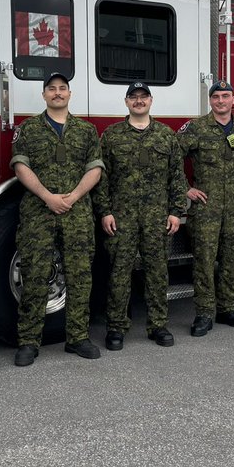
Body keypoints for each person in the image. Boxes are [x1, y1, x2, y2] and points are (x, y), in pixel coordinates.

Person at [10, 72, 105, 366]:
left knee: (80, 276)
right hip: (38, 212)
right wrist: (48, 197)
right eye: (51, 89)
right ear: (44, 95)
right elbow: (20, 167)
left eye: (62, 88)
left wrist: (73, 197)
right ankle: (28, 342)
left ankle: (77, 338)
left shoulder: (86, 131)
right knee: (34, 275)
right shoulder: (28, 129)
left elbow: (95, 169)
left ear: (69, 94)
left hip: (77, 213)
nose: (57, 92)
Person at [93, 82, 188, 350]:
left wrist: (176, 212)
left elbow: (177, 177)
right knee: (119, 273)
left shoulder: (166, 136)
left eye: (143, 96)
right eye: (133, 97)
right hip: (121, 218)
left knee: (157, 272)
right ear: (126, 102)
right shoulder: (111, 136)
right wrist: (105, 211)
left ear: (151, 100)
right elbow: (102, 178)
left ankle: (158, 325)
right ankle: (116, 327)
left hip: (157, 217)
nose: (138, 101)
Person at [176, 80, 234, 337]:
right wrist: (185, 188)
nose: (221, 101)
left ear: (233, 100)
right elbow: (173, 156)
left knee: (231, 260)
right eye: (216, 97)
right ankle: (204, 313)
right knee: (204, 260)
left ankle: (227, 309)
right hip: (206, 207)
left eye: (225, 96)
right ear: (210, 100)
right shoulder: (196, 127)